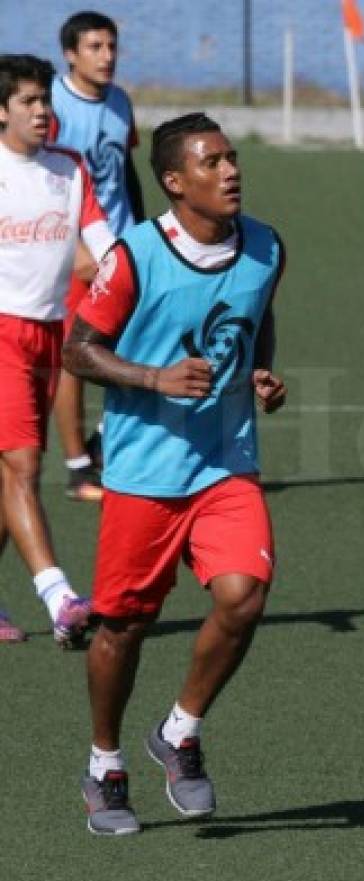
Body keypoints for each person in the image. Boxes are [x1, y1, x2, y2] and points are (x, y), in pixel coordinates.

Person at [63, 112, 287, 835]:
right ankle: (105, 764)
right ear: (173, 181)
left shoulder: (265, 245)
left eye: (232, 157)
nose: (230, 171)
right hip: (145, 475)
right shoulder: (135, 257)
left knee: (244, 596)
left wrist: (259, 369)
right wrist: (153, 378)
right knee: (122, 630)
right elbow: (79, 351)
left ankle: (180, 731)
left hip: (225, 463)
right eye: (212, 162)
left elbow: (257, 313)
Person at [0, 54, 114, 647]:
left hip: (47, 332)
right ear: (1, 112)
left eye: (45, 99)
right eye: (28, 101)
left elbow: (106, 248)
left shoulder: (70, 170)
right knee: (22, 466)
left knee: (10, 474)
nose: (44, 110)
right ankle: (60, 597)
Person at [50, 9, 145, 501]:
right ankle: (78, 469)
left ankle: (105, 444)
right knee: (76, 358)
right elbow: (43, 181)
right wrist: (76, 248)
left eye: (111, 46)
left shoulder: (121, 102)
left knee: (144, 347)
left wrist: (145, 234)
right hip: (76, 253)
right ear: (70, 54)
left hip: (123, 247)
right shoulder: (51, 106)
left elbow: (124, 173)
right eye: (94, 47)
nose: (107, 56)